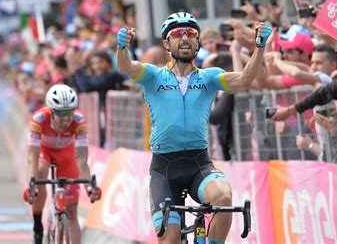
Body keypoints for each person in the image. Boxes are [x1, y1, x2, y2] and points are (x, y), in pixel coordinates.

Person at [116, 12, 272, 244]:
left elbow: (244, 80)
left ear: (198, 41)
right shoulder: (154, 76)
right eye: (177, 34)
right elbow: (127, 67)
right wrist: (122, 49)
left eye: (191, 33)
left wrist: (259, 47)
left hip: (199, 163)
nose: (185, 38)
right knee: (170, 239)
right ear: (166, 43)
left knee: (223, 196)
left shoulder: (209, 77)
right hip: (164, 169)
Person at [23, 84, 100, 244]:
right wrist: (32, 186)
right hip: (44, 151)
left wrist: (89, 187)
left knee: (71, 210)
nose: (66, 118)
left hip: (67, 154)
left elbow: (81, 159)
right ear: (51, 111)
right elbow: (32, 158)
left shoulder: (79, 121)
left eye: (69, 112)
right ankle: (38, 227)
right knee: (41, 171)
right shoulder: (38, 119)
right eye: (61, 113)